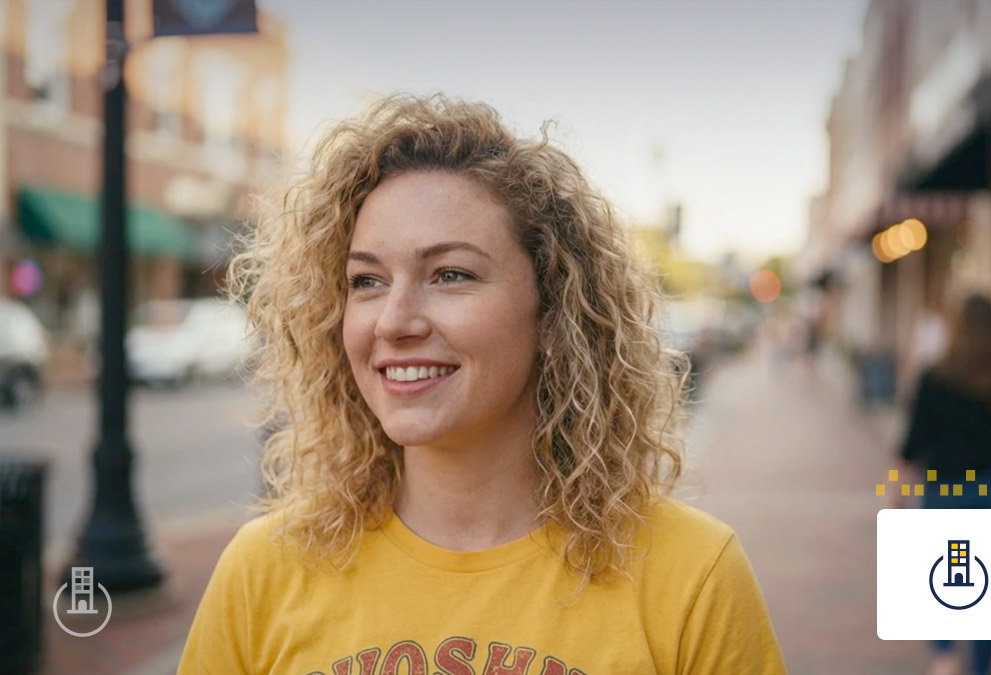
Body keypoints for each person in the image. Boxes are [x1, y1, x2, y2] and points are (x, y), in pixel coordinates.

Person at [178, 95, 785, 675]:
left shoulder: (690, 575)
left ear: (553, 311)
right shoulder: (264, 570)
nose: (393, 321)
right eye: (366, 281)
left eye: (450, 274)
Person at [894, 293, 991, 675]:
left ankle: (944, 654)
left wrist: (896, 487)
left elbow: (913, 440)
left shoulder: (936, 375)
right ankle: (981, 665)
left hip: (945, 492)